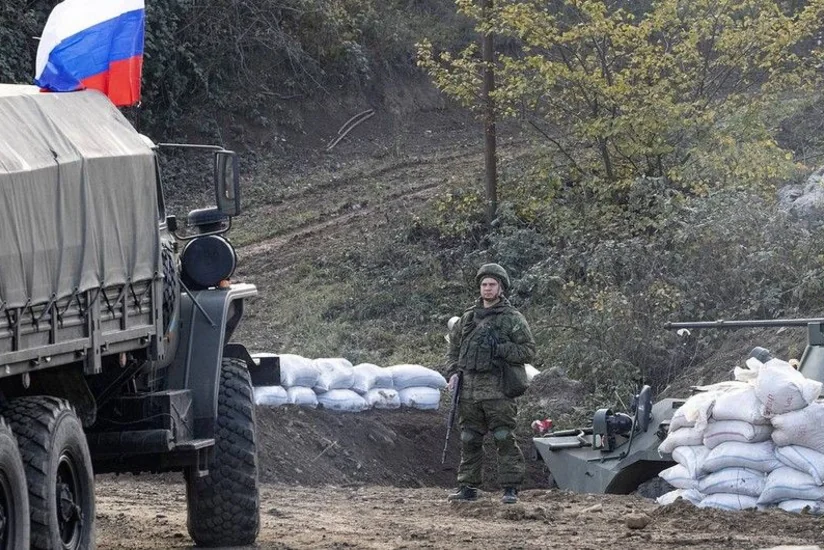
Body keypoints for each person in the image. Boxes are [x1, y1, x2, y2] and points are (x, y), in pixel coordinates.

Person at [445, 263, 536, 504]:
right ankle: (467, 487)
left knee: (504, 437)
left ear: (501, 288)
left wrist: (501, 348)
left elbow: (528, 351)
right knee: (469, 438)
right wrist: (453, 372)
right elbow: (454, 349)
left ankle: (510, 488)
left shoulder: (512, 319)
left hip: (498, 390)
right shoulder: (467, 318)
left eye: (492, 284)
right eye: (484, 284)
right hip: (469, 390)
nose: (487, 288)